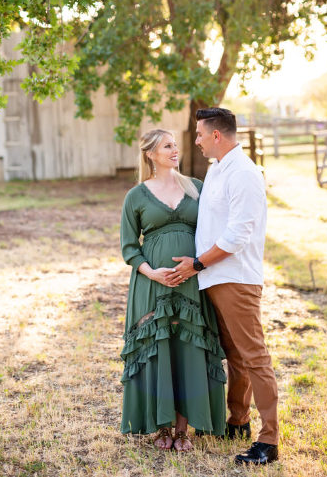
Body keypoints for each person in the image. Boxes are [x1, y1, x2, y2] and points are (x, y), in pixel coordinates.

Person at [167, 107, 279, 467]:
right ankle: (237, 421)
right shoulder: (217, 170)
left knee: (254, 357)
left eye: (199, 134)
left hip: (235, 278)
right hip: (213, 277)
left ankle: (269, 440)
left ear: (217, 135)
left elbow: (238, 234)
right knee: (235, 355)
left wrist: (197, 263)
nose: (195, 140)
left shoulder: (244, 173)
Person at [119, 128, 226, 451]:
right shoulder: (136, 196)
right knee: (159, 346)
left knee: (187, 347)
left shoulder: (196, 188)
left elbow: (213, 231)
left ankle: (183, 428)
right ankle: (161, 426)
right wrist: (154, 273)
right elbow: (128, 248)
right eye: (167, 146)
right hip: (152, 286)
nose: (175, 150)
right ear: (150, 154)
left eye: (175, 145)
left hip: (192, 282)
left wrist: (195, 264)